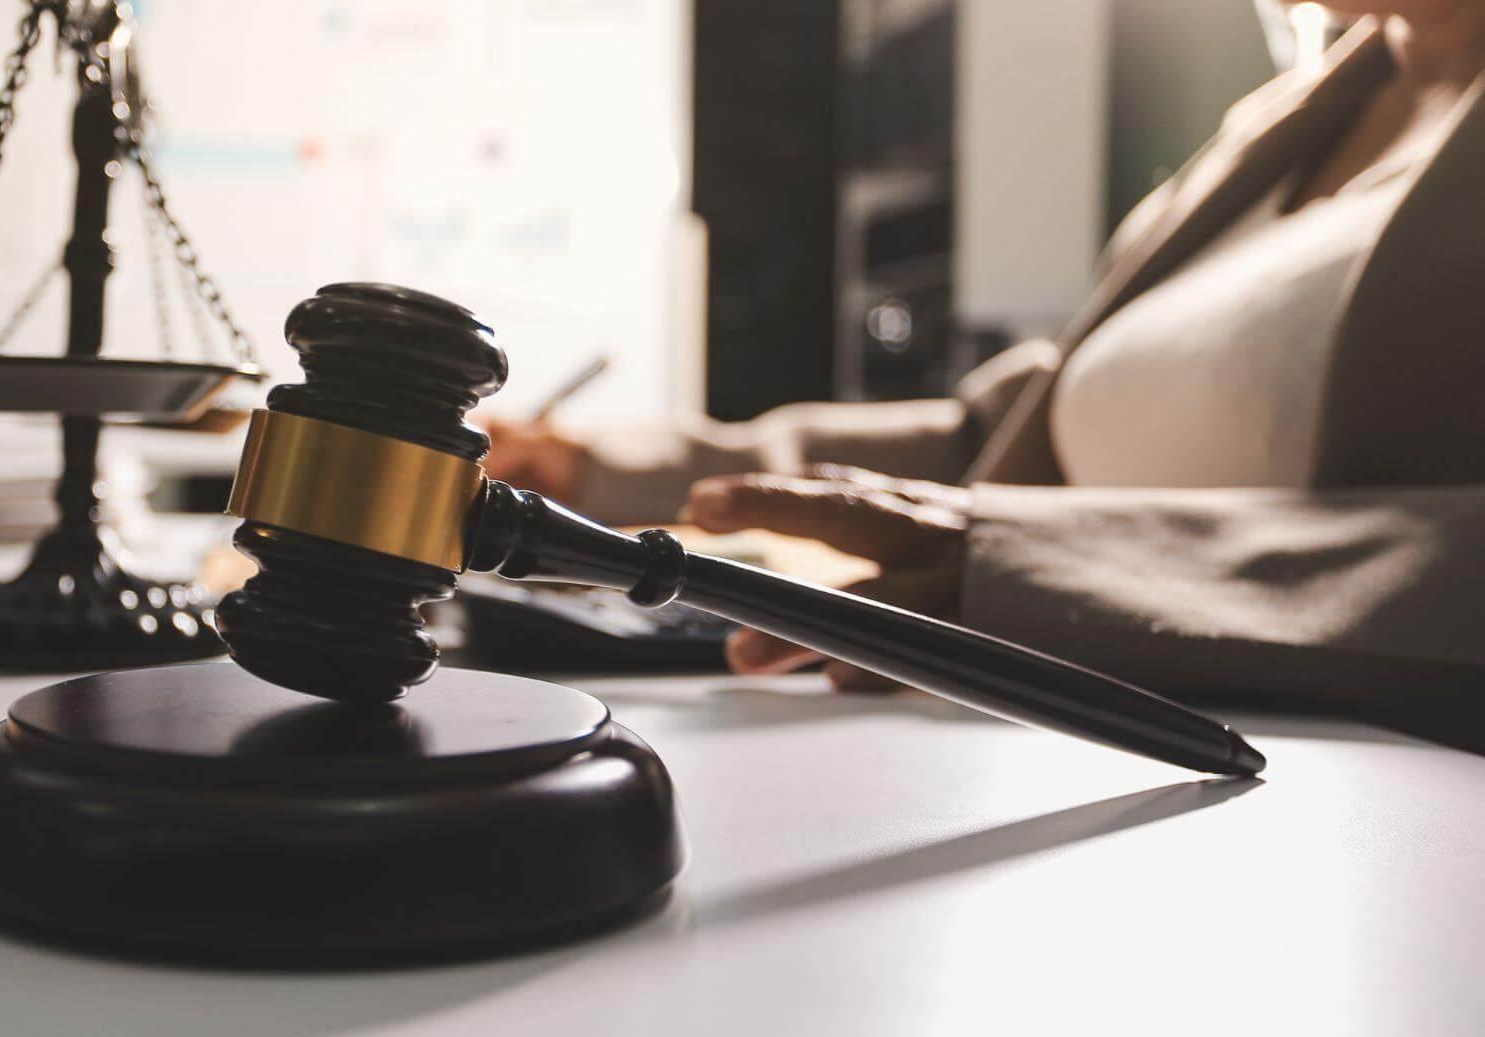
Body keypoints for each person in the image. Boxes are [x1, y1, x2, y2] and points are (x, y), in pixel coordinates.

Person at [486, 7, 1485, 727]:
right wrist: (593, 470)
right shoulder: (1282, 123)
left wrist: (1033, 567)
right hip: (1065, 744)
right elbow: (1001, 434)